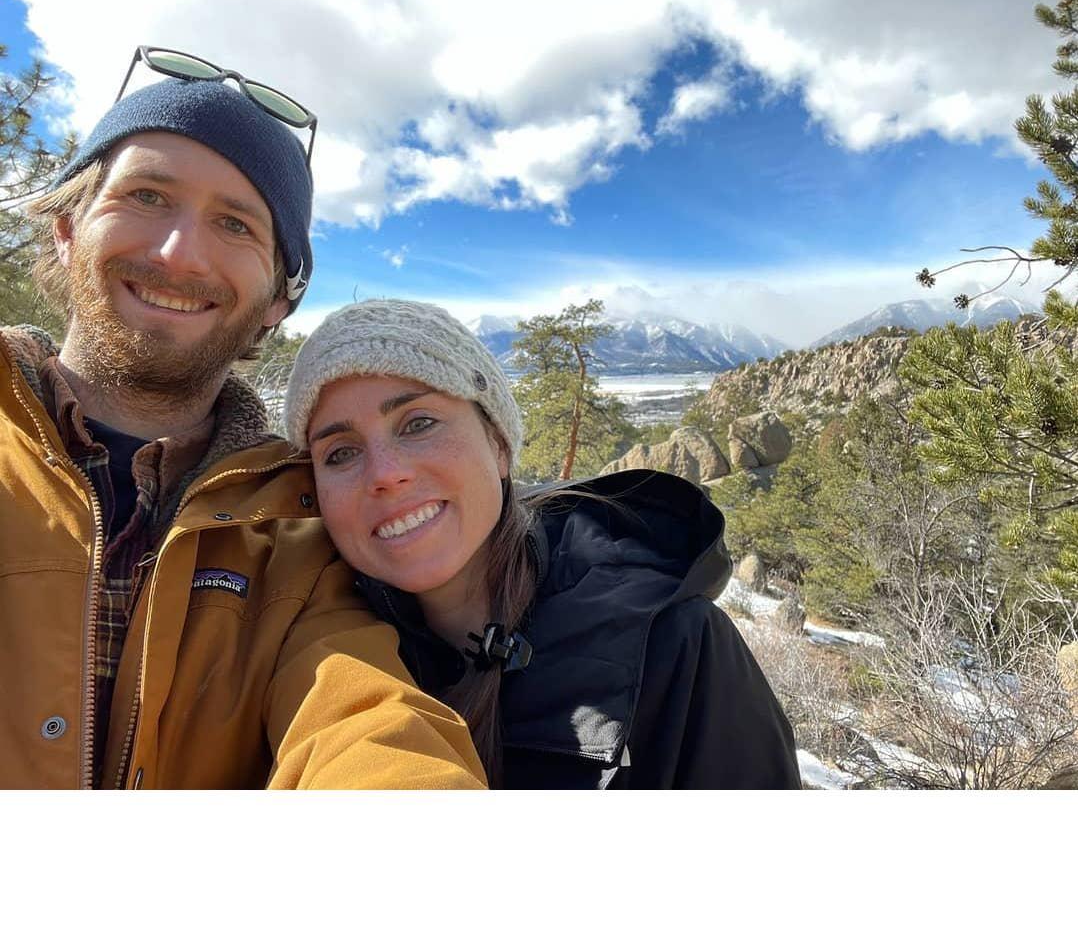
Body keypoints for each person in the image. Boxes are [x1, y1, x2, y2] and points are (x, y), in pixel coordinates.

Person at [0, 47, 485, 790]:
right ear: (67, 229)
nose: (180, 254)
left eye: (235, 224)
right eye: (147, 196)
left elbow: (366, 719)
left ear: (276, 301)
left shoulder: (299, 534)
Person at [283, 299, 802, 789]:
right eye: (340, 453)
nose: (384, 473)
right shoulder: (315, 661)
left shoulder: (675, 648)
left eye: (418, 423)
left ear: (498, 445)